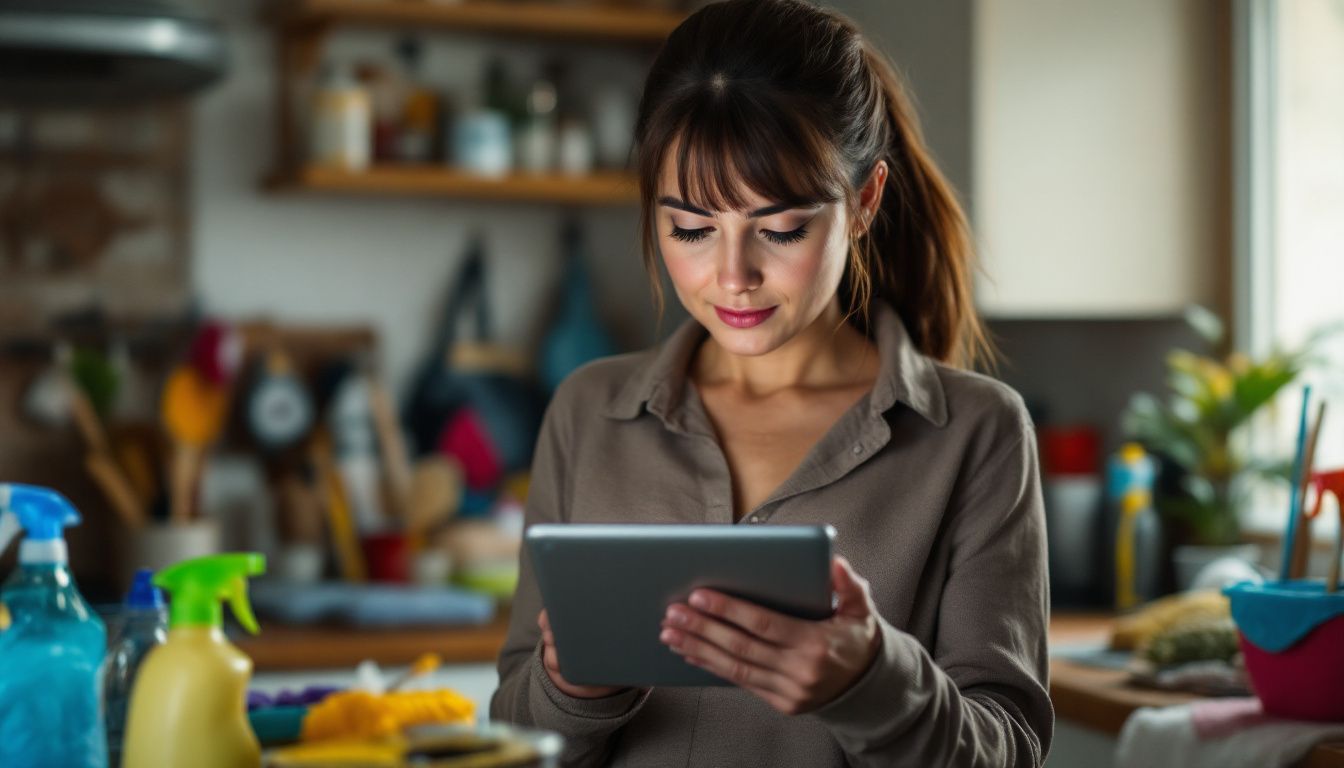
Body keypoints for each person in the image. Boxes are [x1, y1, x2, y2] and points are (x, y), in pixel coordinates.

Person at [489, 1, 1052, 765]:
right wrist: (567, 687)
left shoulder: (976, 433)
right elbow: (517, 736)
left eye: (781, 229)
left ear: (864, 202)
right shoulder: (589, 412)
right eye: (689, 229)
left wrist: (873, 682)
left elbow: (1009, 752)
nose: (733, 276)